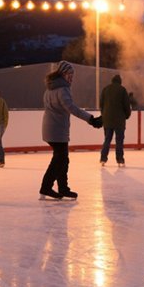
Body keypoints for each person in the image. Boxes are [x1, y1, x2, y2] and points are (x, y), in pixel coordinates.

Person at [40, 61, 102, 200]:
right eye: (69, 74)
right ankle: (46, 187)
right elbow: (72, 108)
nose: (71, 78)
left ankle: (63, 188)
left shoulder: (50, 88)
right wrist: (91, 119)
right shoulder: (62, 89)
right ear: (62, 74)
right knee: (59, 159)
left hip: (51, 129)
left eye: (72, 75)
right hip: (57, 130)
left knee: (63, 159)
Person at [99, 74, 132, 167]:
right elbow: (127, 105)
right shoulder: (122, 90)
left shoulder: (105, 89)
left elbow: (101, 104)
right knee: (119, 141)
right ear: (120, 81)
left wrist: (104, 115)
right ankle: (120, 159)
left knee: (107, 139)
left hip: (107, 120)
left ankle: (103, 158)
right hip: (119, 121)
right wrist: (127, 116)